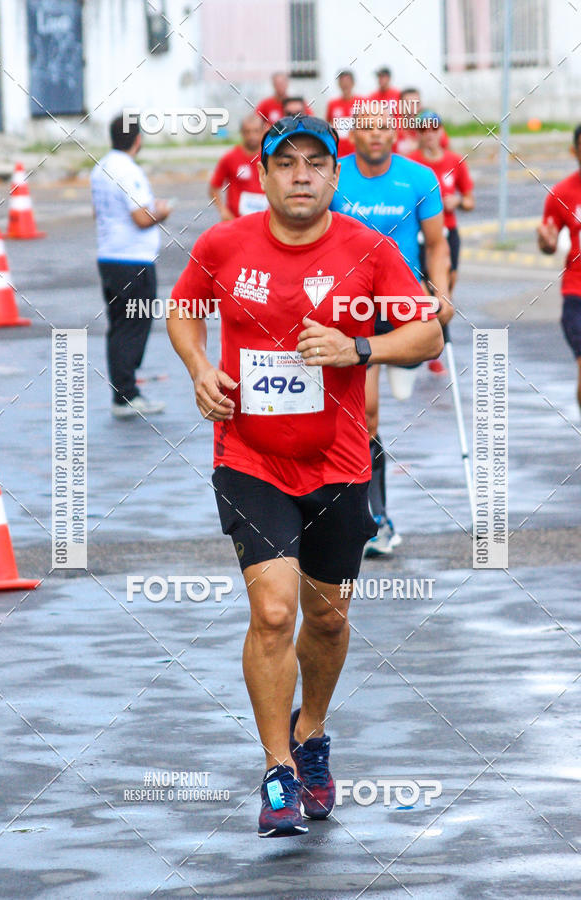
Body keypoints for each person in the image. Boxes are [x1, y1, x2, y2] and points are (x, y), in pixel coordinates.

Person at [167, 115, 443, 838]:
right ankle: (277, 769)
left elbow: (427, 333)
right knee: (275, 611)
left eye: (315, 163)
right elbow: (184, 312)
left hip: (341, 465)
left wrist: (360, 346)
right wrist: (200, 370)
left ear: (334, 176)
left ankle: (311, 733)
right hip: (250, 458)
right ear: (261, 175)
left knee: (326, 617)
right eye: (284, 162)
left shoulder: (370, 250)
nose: (300, 175)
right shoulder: (224, 244)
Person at [331, 111, 451, 555]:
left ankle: (408, 358)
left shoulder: (419, 177)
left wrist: (441, 292)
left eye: (384, 127)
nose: (376, 135)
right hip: (352, 306)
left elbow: (437, 244)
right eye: (366, 127)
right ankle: (376, 519)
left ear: (394, 133)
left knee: (395, 378)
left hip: (403, 303)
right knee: (368, 416)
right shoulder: (336, 175)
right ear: (353, 133)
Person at [90, 114, 171, 418]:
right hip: (133, 261)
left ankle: (122, 391)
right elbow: (140, 218)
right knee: (134, 325)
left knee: (119, 325)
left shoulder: (100, 168)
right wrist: (161, 212)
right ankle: (126, 395)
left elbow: (99, 213)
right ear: (138, 139)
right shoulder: (128, 170)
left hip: (109, 256)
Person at [538, 123, 581, 412]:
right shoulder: (562, 192)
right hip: (577, 294)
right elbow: (548, 244)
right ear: (574, 151)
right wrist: (546, 242)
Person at [409, 110, 475, 297]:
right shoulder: (410, 162)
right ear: (417, 134)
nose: (429, 133)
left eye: (434, 128)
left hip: (447, 231)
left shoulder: (455, 161)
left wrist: (458, 202)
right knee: (423, 288)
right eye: (423, 129)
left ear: (441, 131)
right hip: (420, 233)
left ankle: (442, 322)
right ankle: (430, 323)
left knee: (447, 284)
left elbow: (470, 201)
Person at [209, 115, 267, 220]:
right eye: (247, 132)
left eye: (256, 131)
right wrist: (223, 210)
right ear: (241, 132)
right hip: (237, 221)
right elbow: (213, 188)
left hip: (265, 221)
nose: (252, 136)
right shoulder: (230, 157)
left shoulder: (270, 157)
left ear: (263, 131)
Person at [325, 69, 362, 158]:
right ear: (339, 84)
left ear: (353, 83)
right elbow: (328, 125)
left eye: (347, 81)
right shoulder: (333, 104)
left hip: (357, 150)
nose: (345, 85)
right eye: (342, 82)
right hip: (338, 151)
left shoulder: (361, 102)